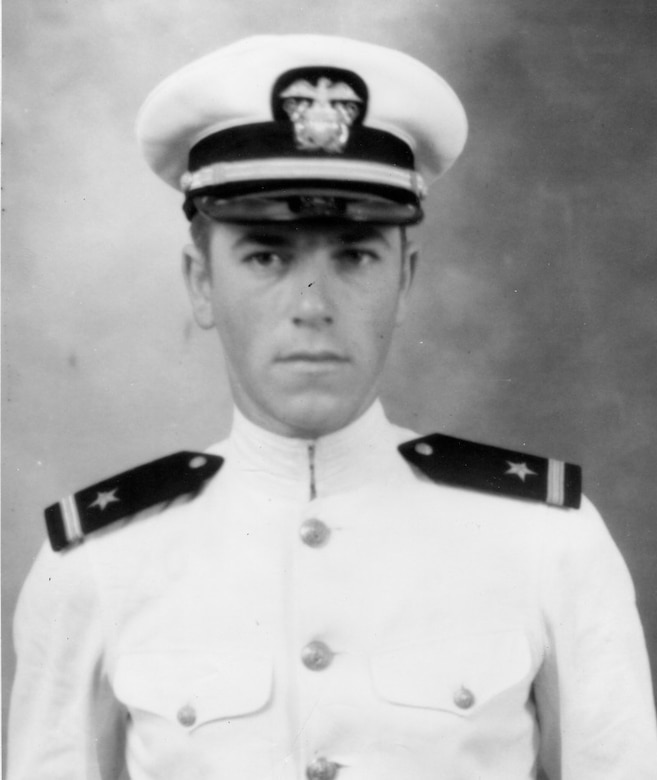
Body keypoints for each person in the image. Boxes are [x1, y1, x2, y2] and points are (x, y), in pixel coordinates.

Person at [7, 34, 657, 780]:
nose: (311, 306)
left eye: (353, 255)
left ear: (405, 279)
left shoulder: (548, 543)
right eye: (266, 256)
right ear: (199, 282)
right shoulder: (94, 565)